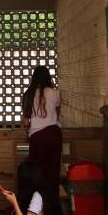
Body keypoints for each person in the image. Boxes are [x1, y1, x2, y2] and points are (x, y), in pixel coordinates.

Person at [22, 65, 62, 205]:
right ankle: (53, 204)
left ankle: (37, 205)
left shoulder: (29, 94)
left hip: (37, 136)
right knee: (53, 171)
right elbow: (57, 111)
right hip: (54, 133)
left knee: (37, 171)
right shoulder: (54, 93)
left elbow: (26, 122)